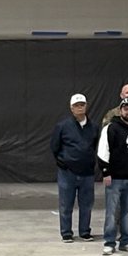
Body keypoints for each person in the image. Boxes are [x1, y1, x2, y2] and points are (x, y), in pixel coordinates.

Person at [96, 96, 128, 255]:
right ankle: (109, 242)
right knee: (111, 212)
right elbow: (103, 151)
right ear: (120, 110)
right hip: (114, 179)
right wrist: (105, 172)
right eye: (126, 109)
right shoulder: (111, 128)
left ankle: (125, 241)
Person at [50, 92, 98, 243]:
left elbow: (94, 145)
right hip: (67, 173)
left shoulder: (94, 127)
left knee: (86, 205)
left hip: (87, 174)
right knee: (66, 204)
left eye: (82, 105)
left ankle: (84, 232)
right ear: (71, 108)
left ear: (86, 106)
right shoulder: (63, 126)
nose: (79, 108)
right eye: (76, 105)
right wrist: (61, 161)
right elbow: (54, 146)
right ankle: (66, 233)